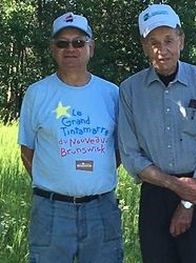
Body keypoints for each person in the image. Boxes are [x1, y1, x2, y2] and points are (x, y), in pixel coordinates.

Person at [118, 4, 196, 263]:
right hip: (155, 194)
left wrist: (187, 203)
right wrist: (174, 185)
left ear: (182, 40)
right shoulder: (130, 90)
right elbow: (131, 155)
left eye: (169, 40)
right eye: (153, 42)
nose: (162, 50)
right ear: (144, 46)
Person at [18, 12, 123, 263]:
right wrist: (59, 184)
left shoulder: (112, 94)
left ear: (91, 47)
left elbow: (118, 150)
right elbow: (27, 151)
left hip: (101, 210)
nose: (70, 49)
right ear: (53, 49)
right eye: (62, 43)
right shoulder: (36, 94)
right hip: (51, 212)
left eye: (78, 42)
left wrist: (91, 180)